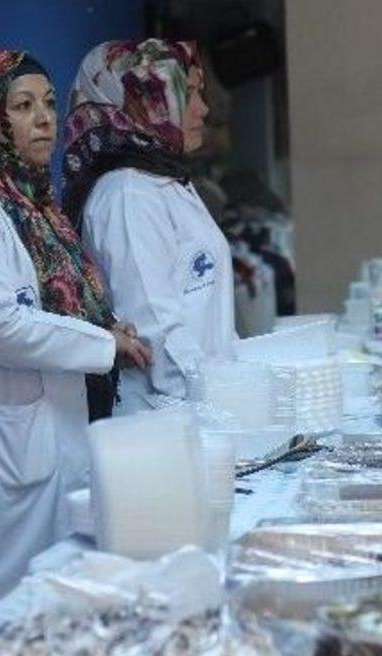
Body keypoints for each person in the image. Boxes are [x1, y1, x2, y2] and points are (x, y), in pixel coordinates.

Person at [0, 49, 151, 632]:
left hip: (53, 446)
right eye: (22, 106)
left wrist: (104, 327)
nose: (44, 119)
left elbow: (61, 306)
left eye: (48, 103)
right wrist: (103, 343)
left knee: (50, 625)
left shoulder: (36, 206)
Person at [62, 39, 236, 413]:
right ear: (140, 103)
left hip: (203, 407)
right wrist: (222, 406)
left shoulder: (163, 179)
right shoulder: (128, 194)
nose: (203, 109)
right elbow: (153, 329)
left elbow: (208, 317)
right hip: (167, 417)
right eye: (187, 93)